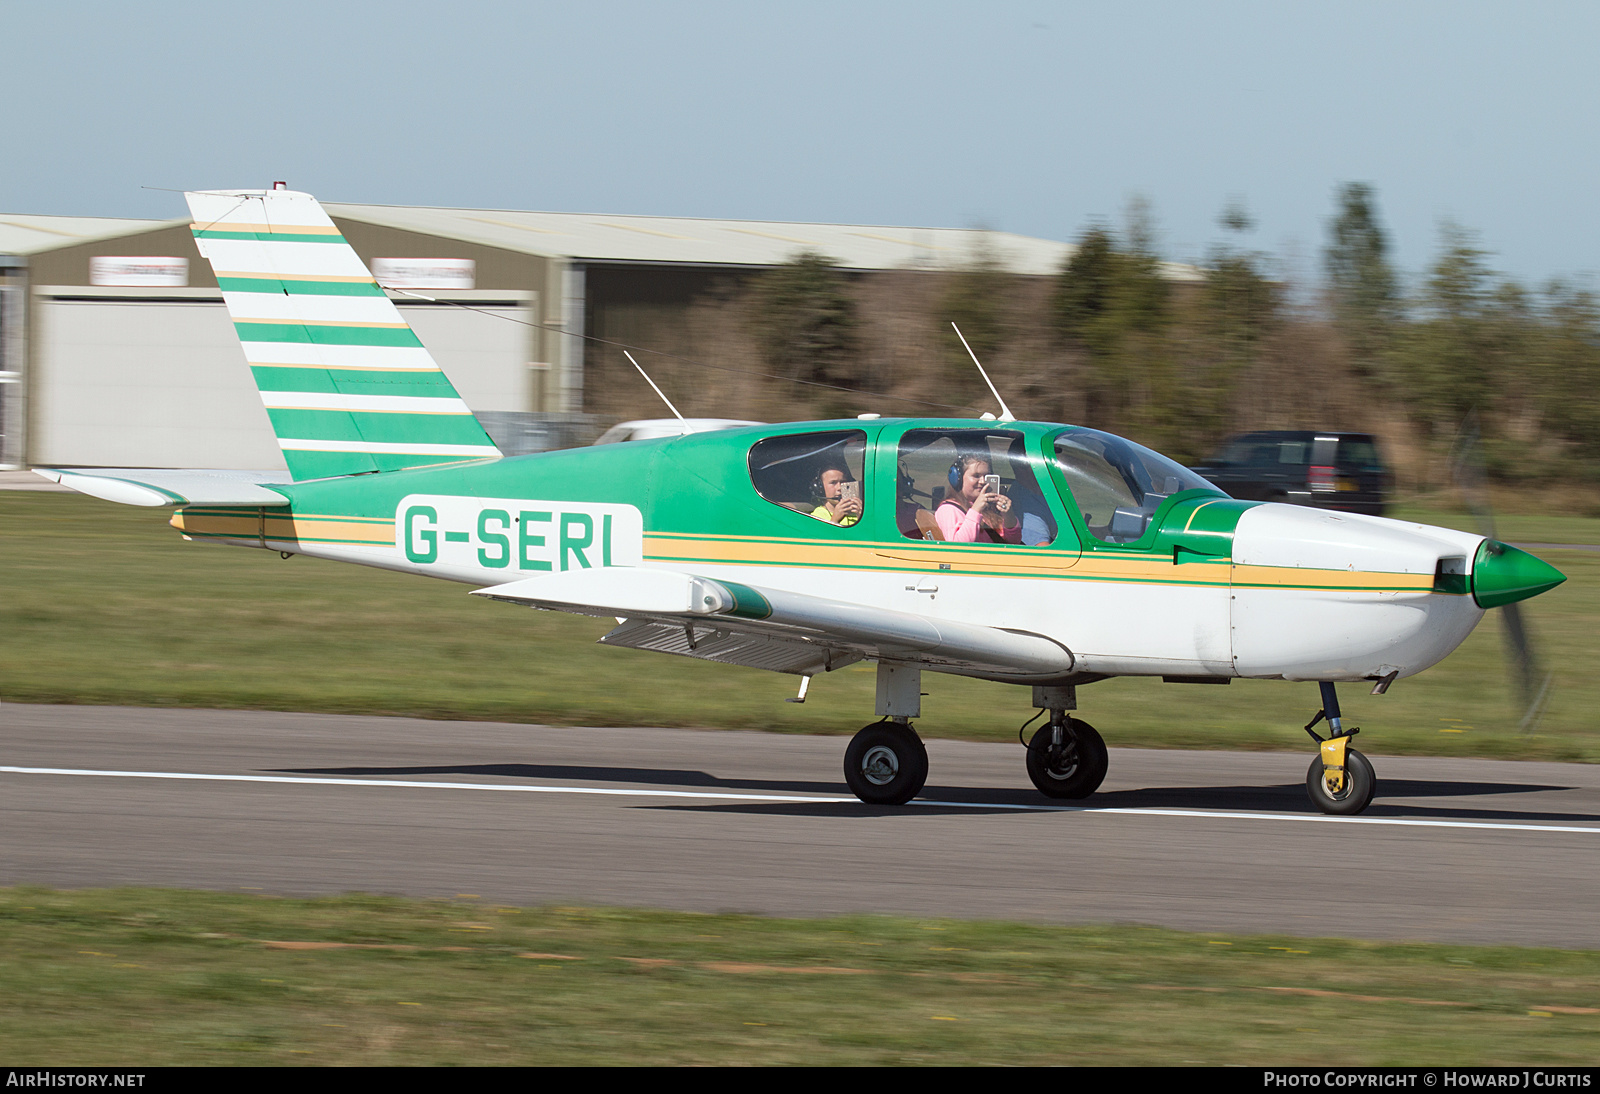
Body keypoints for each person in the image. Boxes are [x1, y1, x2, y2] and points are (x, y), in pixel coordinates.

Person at [937, 453, 1020, 543]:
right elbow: (959, 546)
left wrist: (1009, 516)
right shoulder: (948, 510)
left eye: (986, 476)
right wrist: (976, 510)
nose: (982, 481)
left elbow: (1013, 542)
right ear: (958, 478)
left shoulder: (990, 509)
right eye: (976, 476)